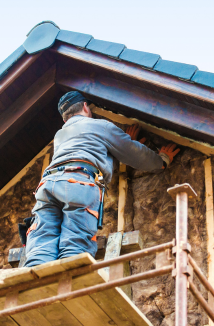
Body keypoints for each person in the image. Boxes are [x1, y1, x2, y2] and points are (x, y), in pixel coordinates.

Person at [23, 91, 180, 267]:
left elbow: (85, 149)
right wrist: (162, 161)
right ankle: (70, 288)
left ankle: (34, 284)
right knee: (75, 244)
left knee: (42, 241)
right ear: (85, 106)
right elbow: (132, 153)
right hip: (78, 183)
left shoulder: (60, 135)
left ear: (65, 119)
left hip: (48, 185)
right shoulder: (101, 126)